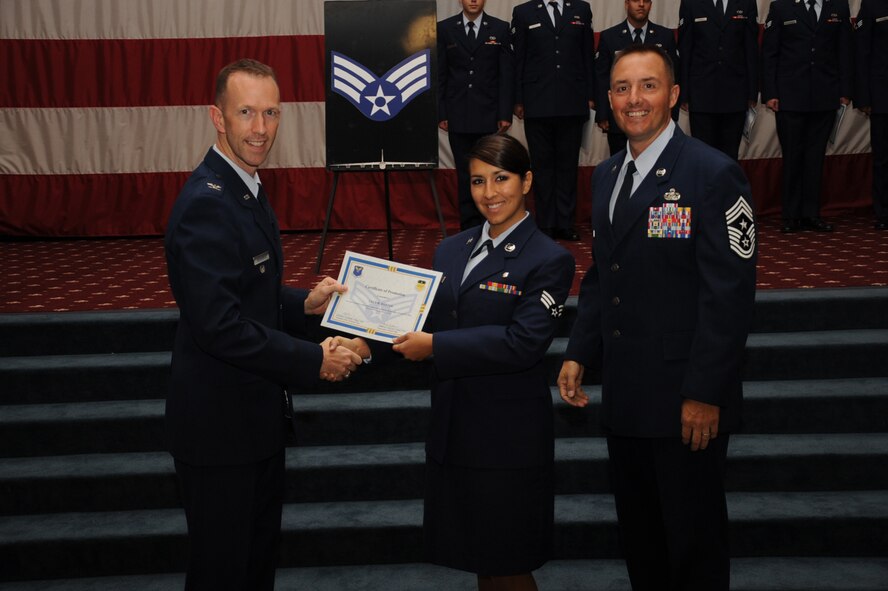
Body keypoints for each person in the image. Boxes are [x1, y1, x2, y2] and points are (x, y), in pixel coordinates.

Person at [558, 45, 756, 590]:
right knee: (642, 543)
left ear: (673, 95)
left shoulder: (713, 174)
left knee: (693, 547)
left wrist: (705, 392)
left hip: (685, 401)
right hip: (626, 397)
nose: (634, 99)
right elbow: (604, 275)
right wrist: (579, 351)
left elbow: (729, 296)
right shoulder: (606, 176)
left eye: (648, 86)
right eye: (622, 88)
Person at [164, 58, 363, 590]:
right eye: (246, 112)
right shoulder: (208, 203)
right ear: (217, 117)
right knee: (224, 575)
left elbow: (246, 294)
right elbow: (220, 327)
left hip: (252, 424)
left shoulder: (243, 185)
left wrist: (306, 306)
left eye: (271, 112)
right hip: (220, 433)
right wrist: (313, 359)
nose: (260, 128)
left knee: (254, 569)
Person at [393, 134, 575, 591]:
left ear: (527, 181)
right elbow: (424, 320)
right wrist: (361, 341)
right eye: (478, 181)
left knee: (509, 563)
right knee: (482, 559)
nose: (489, 193)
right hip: (454, 429)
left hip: (507, 440)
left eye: (501, 178)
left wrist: (436, 347)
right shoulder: (449, 250)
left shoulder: (550, 258)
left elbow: (523, 342)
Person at [762, 0, 853, 233]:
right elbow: (770, 52)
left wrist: (844, 90)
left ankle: (811, 214)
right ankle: (790, 216)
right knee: (793, 157)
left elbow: (845, 50)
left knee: (815, 159)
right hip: (790, 97)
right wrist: (770, 92)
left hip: (825, 95)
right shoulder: (781, 7)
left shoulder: (838, 7)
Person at [511, 0, 596, 241]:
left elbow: (587, 55)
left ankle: (565, 223)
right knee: (542, 166)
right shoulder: (524, 12)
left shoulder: (580, 9)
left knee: (568, 166)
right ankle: (546, 223)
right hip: (537, 102)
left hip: (572, 100)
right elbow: (519, 59)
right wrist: (518, 99)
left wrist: (590, 95)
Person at [438, 0, 514, 231]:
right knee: (465, 173)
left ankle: (491, 222)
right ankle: (469, 226)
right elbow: (441, 74)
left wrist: (504, 113)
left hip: (489, 115)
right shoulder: (445, 28)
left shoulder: (500, 28)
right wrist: (442, 112)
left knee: (490, 172)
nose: (473, 0)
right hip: (457, 114)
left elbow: (505, 75)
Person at [677, 0, 759, 161]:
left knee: (729, 157)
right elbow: (685, 50)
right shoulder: (690, 3)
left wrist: (752, 92)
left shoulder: (747, 3)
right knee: (702, 157)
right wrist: (684, 94)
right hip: (701, 94)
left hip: (735, 94)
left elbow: (751, 49)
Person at [595, 0, 679, 156]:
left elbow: (673, 77)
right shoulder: (609, 36)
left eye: (646, 1)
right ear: (626, 4)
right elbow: (602, 78)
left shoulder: (665, 36)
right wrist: (602, 114)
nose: (641, 4)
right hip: (619, 122)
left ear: (651, 5)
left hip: (657, 120)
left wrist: (672, 114)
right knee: (621, 165)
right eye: (636, 0)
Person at [854, 0, 888, 230]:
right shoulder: (873, 5)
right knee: (884, 159)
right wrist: (864, 98)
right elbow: (862, 53)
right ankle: (884, 212)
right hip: (883, 97)